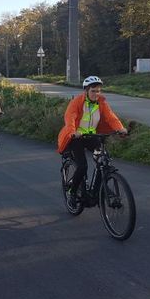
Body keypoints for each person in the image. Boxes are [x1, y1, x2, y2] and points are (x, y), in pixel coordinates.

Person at [57, 76, 127, 204]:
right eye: (93, 91)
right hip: (76, 138)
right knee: (82, 166)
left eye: (98, 91)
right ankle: (72, 192)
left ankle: (98, 190)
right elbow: (70, 118)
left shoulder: (102, 102)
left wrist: (120, 128)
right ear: (86, 91)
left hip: (92, 137)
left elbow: (111, 117)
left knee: (104, 161)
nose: (96, 94)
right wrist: (73, 132)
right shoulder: (77, 102)